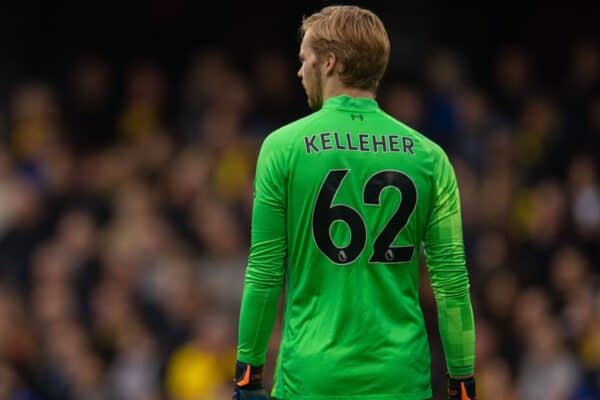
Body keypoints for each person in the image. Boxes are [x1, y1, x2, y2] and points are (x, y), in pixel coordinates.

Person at [232, 5, 476, 400]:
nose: (299, 72)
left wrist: (248, 376)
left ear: (329, 62)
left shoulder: (283, 147)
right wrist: (463, 382)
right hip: (400, 379)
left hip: (311, 379)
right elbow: (451, 283)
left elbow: (264, 271)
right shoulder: (429, 157)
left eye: (304, 59)